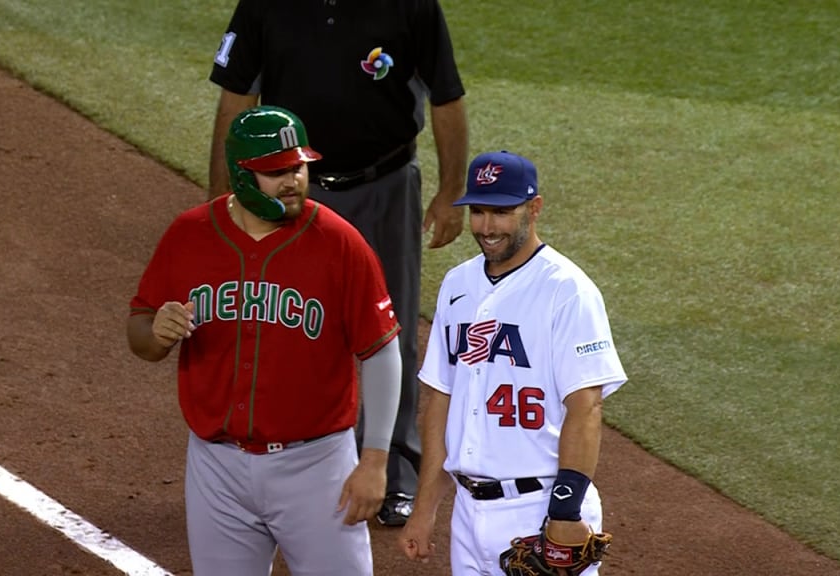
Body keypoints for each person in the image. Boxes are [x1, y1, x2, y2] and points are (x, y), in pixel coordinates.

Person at [206, 0, 469, 527]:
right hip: (288, 193)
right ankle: (286, 463)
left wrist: (451, 190)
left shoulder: (411, 5)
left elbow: (447, 97)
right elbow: (236, 100)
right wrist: (221, 202)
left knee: (387, 329)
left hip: (386, 186)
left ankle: (395, 471)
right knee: (281, 318)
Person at [127, 105, 403, 576]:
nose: (292, 180)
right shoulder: (189, 235)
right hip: (217, 467)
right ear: (240, 173)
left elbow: (381, 351)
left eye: (297, 167)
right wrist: (156, 333)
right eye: (274, 172)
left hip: (316, 466)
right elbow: (140, 327)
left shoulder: (340, 244)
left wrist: (375, 458)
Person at [397, 150, 627, 575]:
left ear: (534, 208)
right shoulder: (457, 285)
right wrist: (425, 506)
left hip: (538, 508)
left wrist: (566, 510)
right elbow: (442, 398)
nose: (487, 227)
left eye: (502, 212)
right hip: (468, 513)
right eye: (478, 212)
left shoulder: (568, 291)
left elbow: (586, 406)